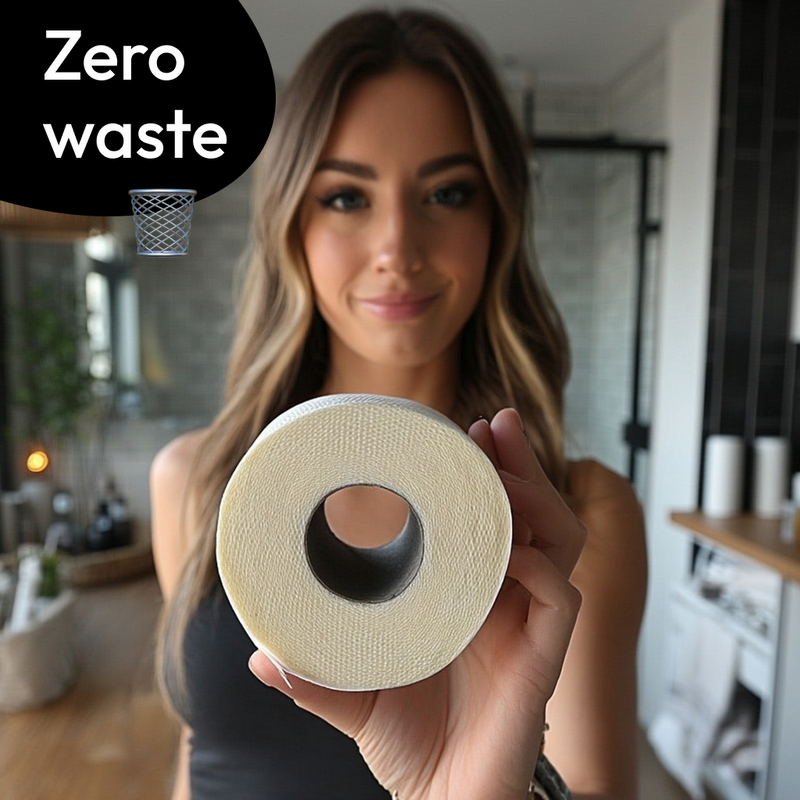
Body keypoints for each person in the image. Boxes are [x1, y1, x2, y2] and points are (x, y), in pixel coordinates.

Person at [150, 7, 647, 800]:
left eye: (448, 192)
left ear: (498, 222)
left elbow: (596, 785)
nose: (397, 249)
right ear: (292, 225)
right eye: (346, 198)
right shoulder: (197, 481)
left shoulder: (575, 516)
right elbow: (198, 751)